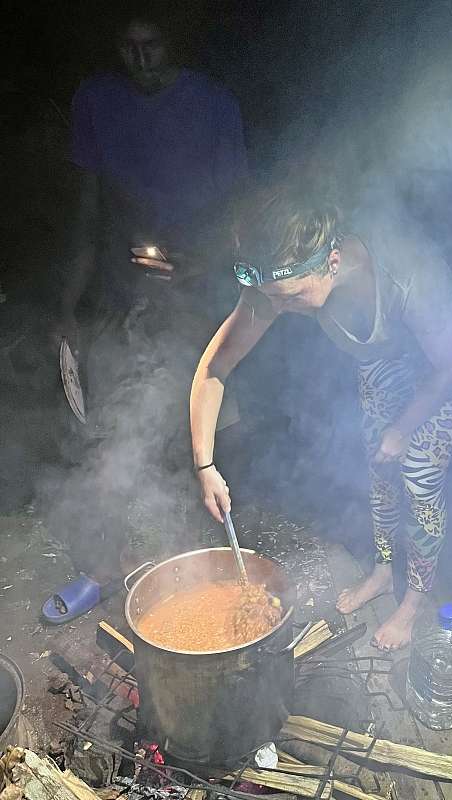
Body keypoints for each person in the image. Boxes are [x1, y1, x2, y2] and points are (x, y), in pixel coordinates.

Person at [189, 184, 452, 651]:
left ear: (332, 263)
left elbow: (449, 363)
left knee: (420, 473)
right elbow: (214, 367)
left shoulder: (410, 274)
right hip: (383, 359)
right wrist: (205, 465)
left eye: (289, 298)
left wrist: (403, 429)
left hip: (443, 365)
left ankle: (415, 599)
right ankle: (384, 572)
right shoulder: (276, 283)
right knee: (378, 465)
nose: (276, 309)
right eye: (270, 298)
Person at [44, 5, 247, 621]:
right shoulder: (96, 100)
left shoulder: (214, 105)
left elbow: (241, 210)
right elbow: (86, 209)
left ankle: (208, 547)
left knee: (208, 404)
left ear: (176, 39)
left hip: (197, 275)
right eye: (127, 47)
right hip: (122, 276)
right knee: (112, 413)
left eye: (152, 45)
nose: (139, 60)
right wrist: (66, 305)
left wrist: (202, 265)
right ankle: (107, 567)